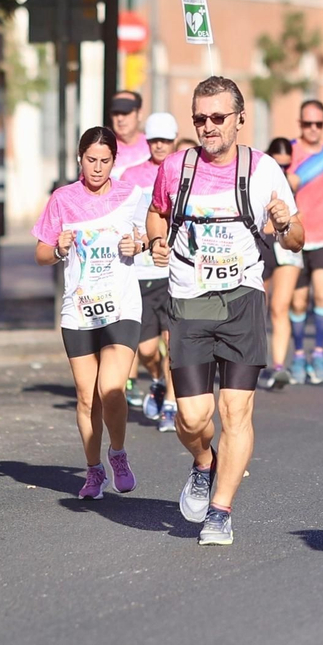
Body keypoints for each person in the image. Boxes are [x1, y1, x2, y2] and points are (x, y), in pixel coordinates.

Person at [146, 76, 302, 546]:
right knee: (192, 418)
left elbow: (297, 239)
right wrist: (156, 238)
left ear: (239, 119)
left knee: (237, 409)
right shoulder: (176, 167)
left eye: (217, 117)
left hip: (242, 298)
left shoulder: (264, 170)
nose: (208, 126)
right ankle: (203, 462)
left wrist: (285, 223)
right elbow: (157, 211)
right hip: (189, 299)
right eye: (199, 118)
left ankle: (221, 510)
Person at [35, 127, 149, 500]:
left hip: (121, 307)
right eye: (90, 160)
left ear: (115, 162)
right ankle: (93, 470)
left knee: (111, 389)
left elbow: (151, 234)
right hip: (79, 310)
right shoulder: (63, 199)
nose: (97, 168)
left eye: (104, 161)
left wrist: (141, 242)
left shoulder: (130, 195)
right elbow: (41, 253)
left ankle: (117, 454)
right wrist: (59, 248)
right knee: (87, 397)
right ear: (79, 159)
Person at [119, 112, 181, 432]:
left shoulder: (183, 173)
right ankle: (157, 379)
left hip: (174, 272)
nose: (159, 146)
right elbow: (122, 216)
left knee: (173, 343)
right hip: (140, 273)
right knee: (145, 350)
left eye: (165, 140)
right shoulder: (131, 175)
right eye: (154, 140)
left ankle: (170, 404)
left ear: (174, 141)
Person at [288, 99, 323, 384]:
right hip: (294, 239)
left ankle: (319, 355)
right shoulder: (289, 151)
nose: (312, 129)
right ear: (300, 124)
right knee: (298, 303)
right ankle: (298, 356)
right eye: (307, 123)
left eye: (318, 124)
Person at [262, 137, 305, 389]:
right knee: (259, 306)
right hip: (264, 244)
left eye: (287, 166)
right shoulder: (259, 178)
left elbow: (299, 214)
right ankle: (253, 362)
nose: (283, 171)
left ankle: (279, 366)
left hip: (286, 245)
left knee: (280, 306)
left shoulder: (295, 181)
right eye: (278, 165)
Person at [109, 90, 152, 181]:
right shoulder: (102, 148)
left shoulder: (153, 147)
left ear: (139, 114)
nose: (120, 118)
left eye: (125, 113)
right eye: (115, 113)